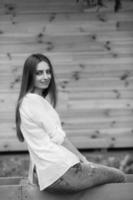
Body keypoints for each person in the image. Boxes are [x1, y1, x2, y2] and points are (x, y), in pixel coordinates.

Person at [15, 53, 126, 193]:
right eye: (39, 73)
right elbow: (59, 138)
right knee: (120, 176)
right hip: (63, 170)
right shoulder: (34, 101)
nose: (46, 77)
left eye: (48, 72)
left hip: (51, 173)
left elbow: (36, 144)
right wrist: (83, 159)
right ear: (29, 75)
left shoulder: (26, 102)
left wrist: (33, 175)